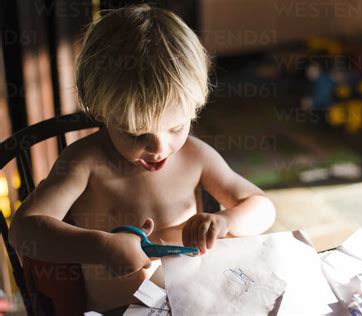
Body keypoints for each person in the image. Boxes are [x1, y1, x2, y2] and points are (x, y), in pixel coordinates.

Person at [8, 4, 276, 312]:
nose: (159, 147)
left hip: (193, 303)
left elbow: (262, 208)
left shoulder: (194, 155)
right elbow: (24, 230)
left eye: (176, 127)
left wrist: (224, 221)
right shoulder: (85, 163)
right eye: (137, 134)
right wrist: (101, 247)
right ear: (103, 111)